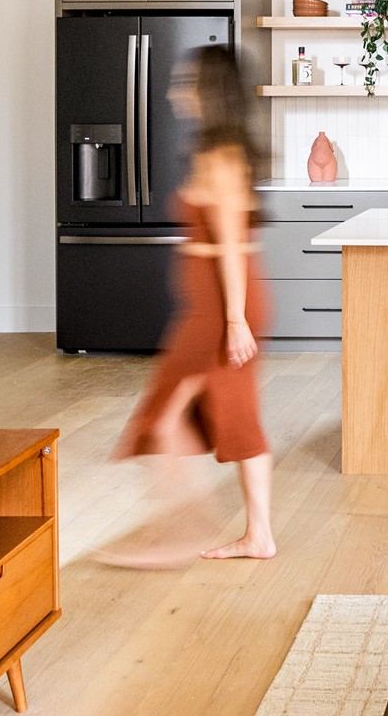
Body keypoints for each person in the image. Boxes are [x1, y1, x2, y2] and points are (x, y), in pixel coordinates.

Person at [99, 43, 275, 565]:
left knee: (168, 415)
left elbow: (228, 244)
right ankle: (251, 535)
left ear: (209, 91)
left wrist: (234, 321)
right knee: (214, 416)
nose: (177, 91)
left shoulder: (218, 157)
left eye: (186, 82)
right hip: (214, 311)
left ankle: (176, 534)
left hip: (221, 312)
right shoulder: (221, 150)